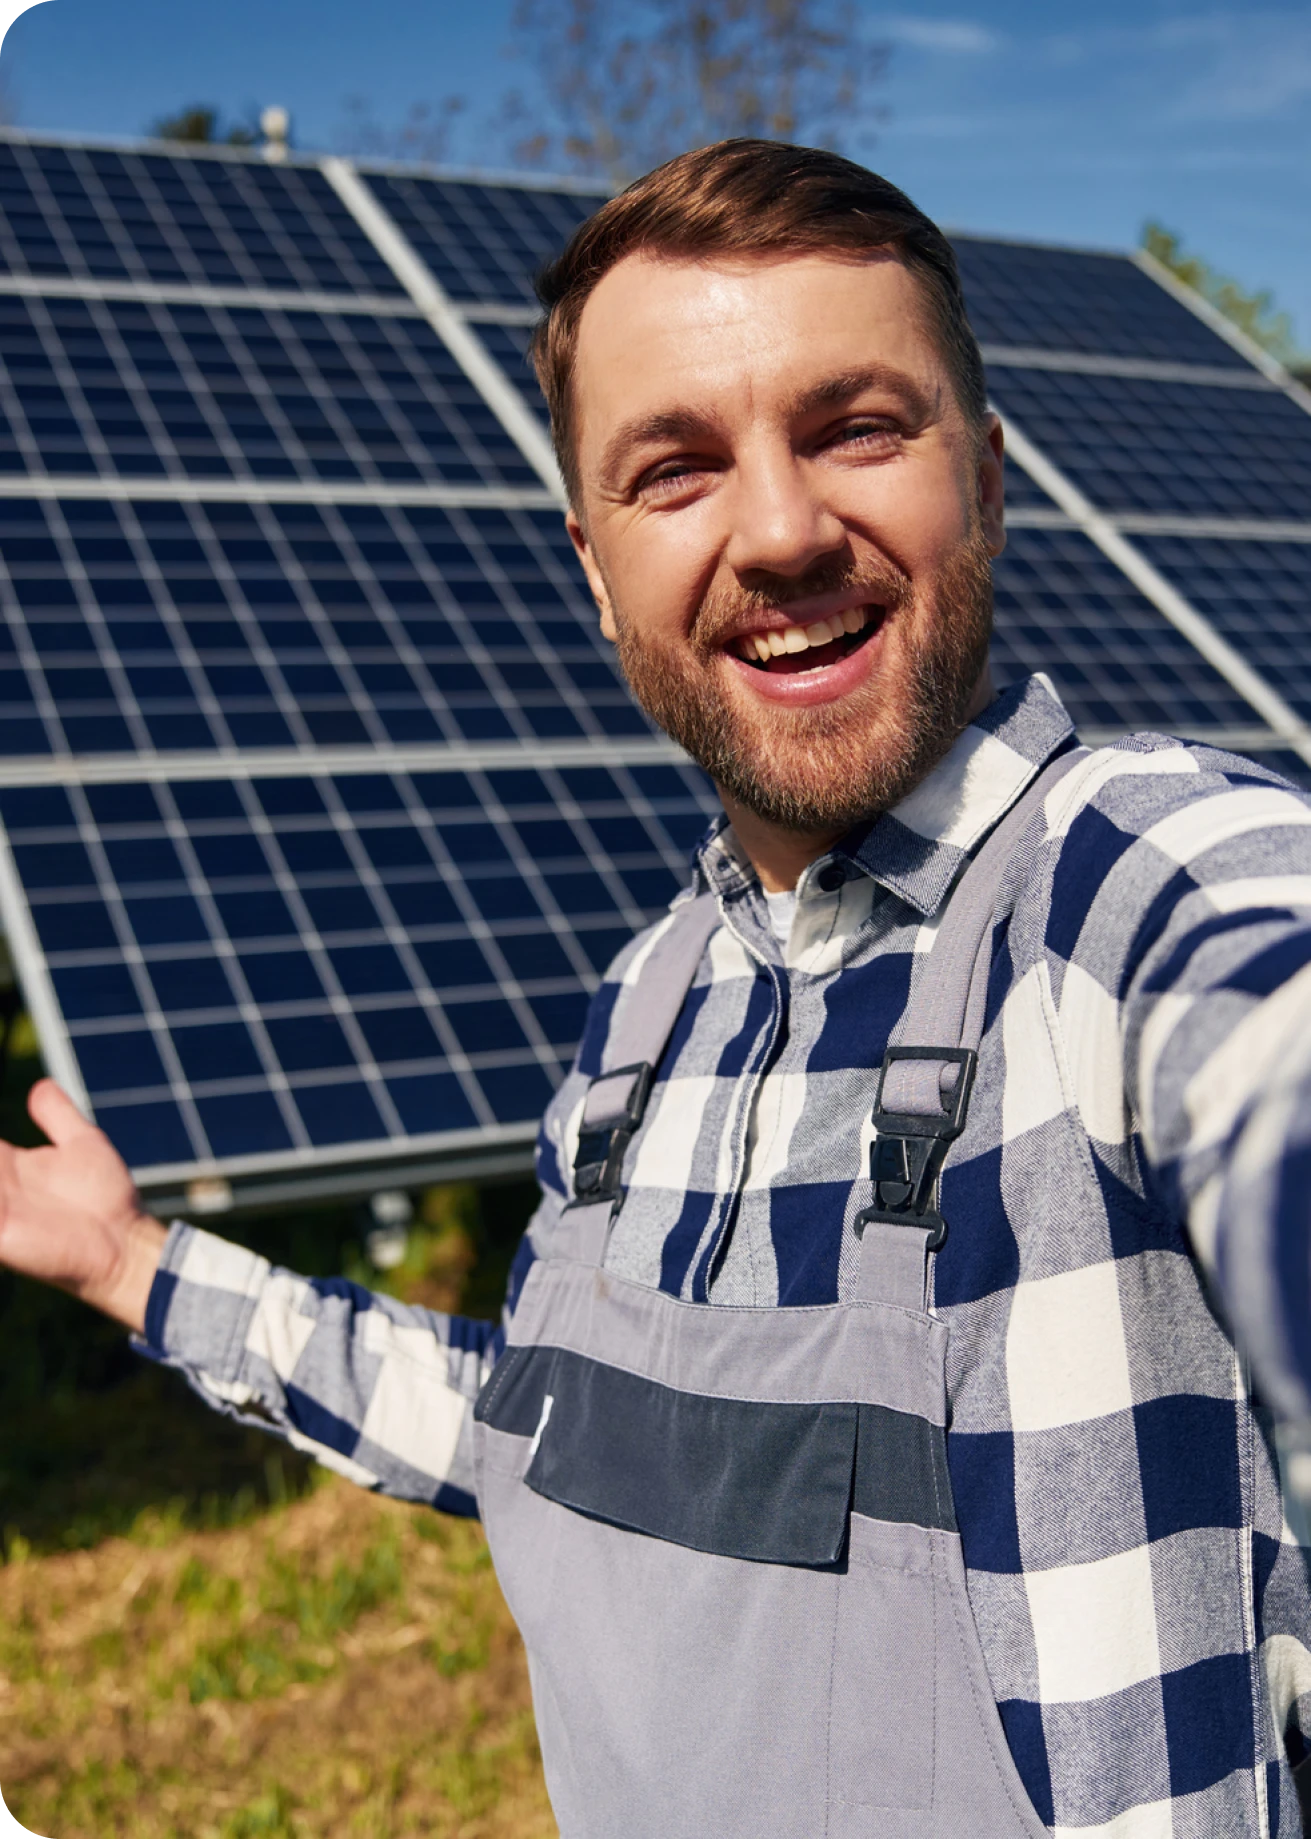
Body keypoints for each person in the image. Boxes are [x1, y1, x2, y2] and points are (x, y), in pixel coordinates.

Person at [1, 138, 1310, 1839]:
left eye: (856, 428)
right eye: (675, 469)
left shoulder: (1144, 885)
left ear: (984, 478)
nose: (778, 530)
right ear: (593, 563)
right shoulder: (647, 1006)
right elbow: (529, 1430)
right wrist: (132, 1263)